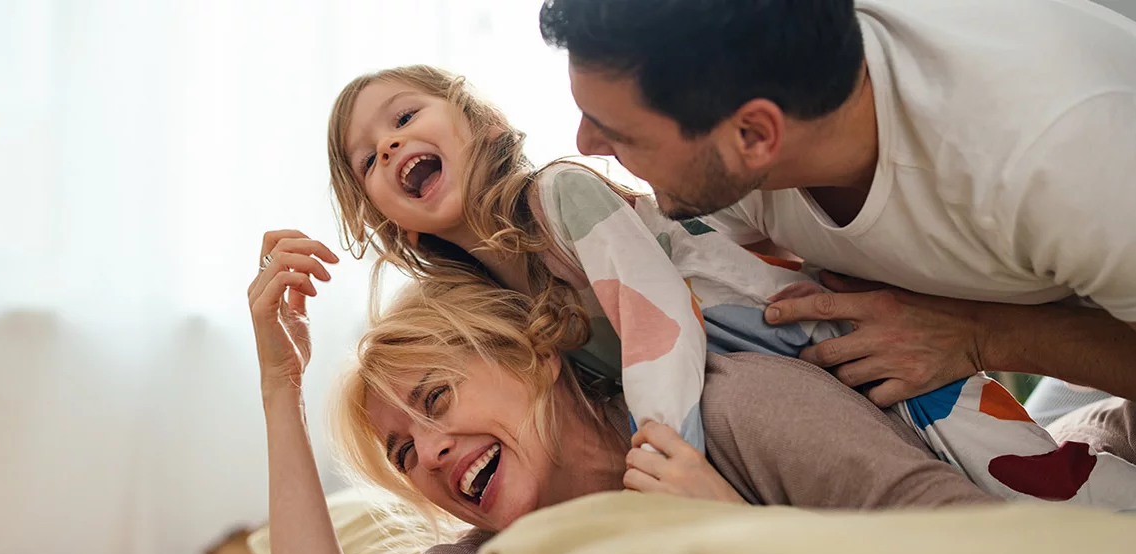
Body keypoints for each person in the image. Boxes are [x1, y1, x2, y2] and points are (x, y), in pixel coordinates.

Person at [326, 64, 1136, 506]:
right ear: (391, 221)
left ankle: (1101, 528)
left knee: (1013, 472)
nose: (391, 146)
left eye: (404, 118)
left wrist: (662, 459)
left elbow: (657, 324)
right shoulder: (495, 297)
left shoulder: (559, 197)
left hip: (808, 326)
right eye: (367, 158)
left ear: (485, 125)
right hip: (763, 366)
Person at [245, 255, 998, 554]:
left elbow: (987, 547)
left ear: (534, 354)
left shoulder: (734, 409)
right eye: (402, 453)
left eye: (436, 399)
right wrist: (280, 389)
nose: (431, 452)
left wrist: (741, 536)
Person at [536, 0, 1136, 417]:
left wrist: (981, 335)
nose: (586, 145)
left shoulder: (1060, 156)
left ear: (754, 136)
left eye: (620, 133)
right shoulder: (748, 124)